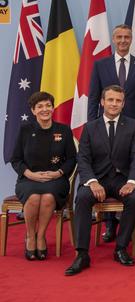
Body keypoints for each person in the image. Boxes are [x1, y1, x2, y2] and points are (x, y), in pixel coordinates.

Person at [65, 85, 135, 276]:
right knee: (82, 198)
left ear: (123, 104)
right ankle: (82, 254)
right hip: (97, 179)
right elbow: (82, 158)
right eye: (110, 100)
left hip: (122, 180)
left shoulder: (133, 126)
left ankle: (120, 249)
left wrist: (132, 182)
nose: (114, 104)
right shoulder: (90, 127)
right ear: (102, 102)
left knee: (134, 198)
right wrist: (91, 181)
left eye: (118, 100)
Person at [87, 24, 135, 243]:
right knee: (105, 170)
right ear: (114, 39)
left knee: (124, 171)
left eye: (127, 37)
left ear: (131, 39)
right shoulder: (100, 65)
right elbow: (94, 97)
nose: (123, 40)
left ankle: (125, 225)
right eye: (119, 37)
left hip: (131, 128)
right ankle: (109, 224)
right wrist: (91, 127)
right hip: (104, 127)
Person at [11, 91, 76, 261]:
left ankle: (41, 236)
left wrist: (59, 173)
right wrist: (30, 174)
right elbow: (16, 159)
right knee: (33, 198)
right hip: (28, 179)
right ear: (33, 111)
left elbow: (71, 159)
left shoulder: (64, 130)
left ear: (53, 108)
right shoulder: (25, 130)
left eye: (48, 105)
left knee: (47, 198)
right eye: (39, 106)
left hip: (56, 179)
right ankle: (31, 237)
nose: (44, 109)